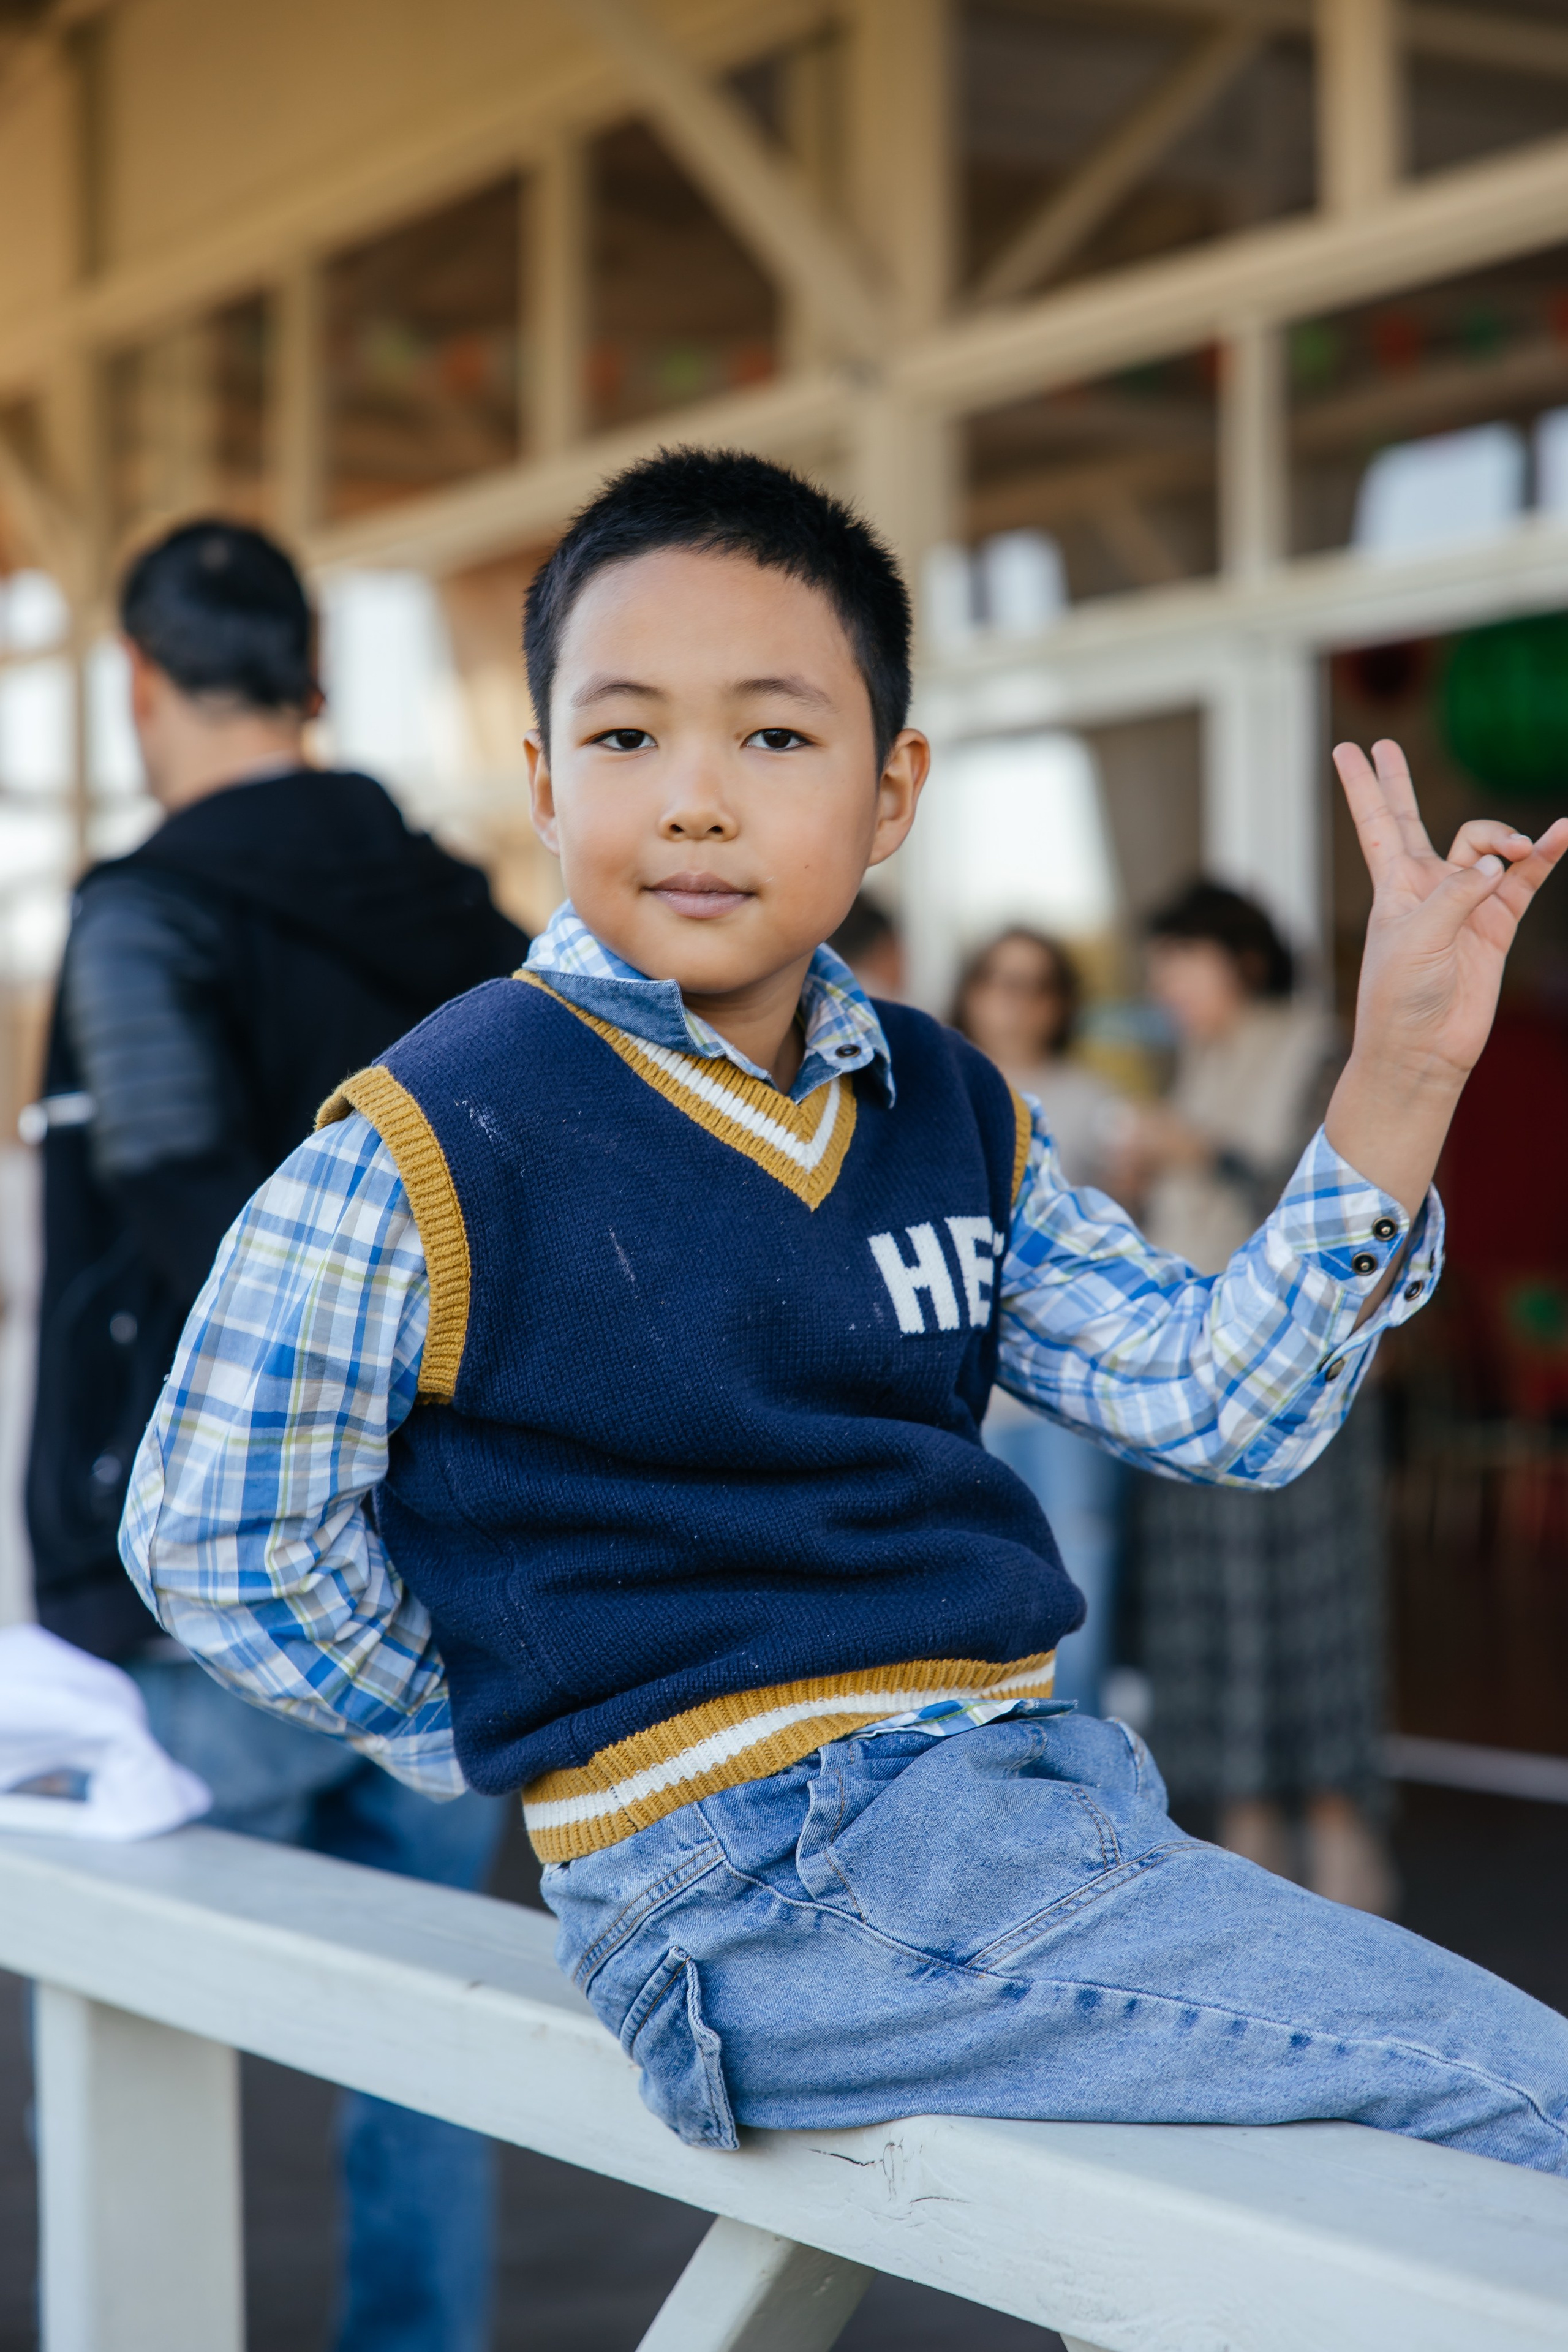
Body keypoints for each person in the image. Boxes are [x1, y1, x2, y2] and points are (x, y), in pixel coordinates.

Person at [123, 448, 1568, 2174]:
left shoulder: (951, 1106)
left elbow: (1216, 1406)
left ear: (891, 794)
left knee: (1397, 2152)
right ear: (545, 783)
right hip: (750, 1877)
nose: (694, 799)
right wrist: (516, 1705)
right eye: (625, 735)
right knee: (1516, 2092)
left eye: (773, 736)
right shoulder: (440, 1130)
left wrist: (1398, 1079)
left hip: (1013, 1807)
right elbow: (215, 1527)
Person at [28, 518, 527, 2352]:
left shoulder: (143, 915)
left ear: (141, 683)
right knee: (430, 2061)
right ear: (311, 678)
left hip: (207, 1587)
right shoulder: (468, 925)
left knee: (123, 2036)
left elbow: (185, 1222)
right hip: (447, 1578)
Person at [1114, 880, 1393, 1913]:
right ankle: (1247, 1834)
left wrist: (1206, 1152)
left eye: (1179, 963)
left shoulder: (1320, 1057)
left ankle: (1340, 1828)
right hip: (1200, 1379)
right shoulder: (1193, 1064)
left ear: (1237, 958)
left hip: (1307, 1385)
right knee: (1213, 1614)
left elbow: (1354, 1214)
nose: (1166, 989)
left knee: (1316, 1609)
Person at [953, 928, 1128, 1711]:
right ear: (971, 991)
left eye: (1035, 986)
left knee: (1078, 1568)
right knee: (975, 1587)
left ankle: (1077, 1753)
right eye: (1000, 980)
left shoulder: (1091, 1098)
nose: (1015, 1003)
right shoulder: (933, 1092)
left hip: (1067, 1389)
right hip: (960, 1391)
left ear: (1060, 1003)